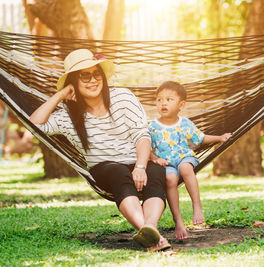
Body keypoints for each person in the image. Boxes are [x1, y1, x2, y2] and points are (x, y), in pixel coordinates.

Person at [30, 49, 170, 252]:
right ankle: (149, 233)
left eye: (96, 74)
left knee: (155, 171)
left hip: (136, 160)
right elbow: (34, 125)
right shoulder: (67, 116)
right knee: (119, 172)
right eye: (84, 76)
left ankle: (150, 230)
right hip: (104, 168)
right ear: (73, 82)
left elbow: (142, 135)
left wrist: (140, 165)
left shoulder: (122, 97)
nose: (93, 80)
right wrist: (61, 94)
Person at [149, 81, 231, 240]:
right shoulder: (152, 126)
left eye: (169, 99)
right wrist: (156, 159)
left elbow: (201, 138)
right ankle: (178, 219)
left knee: (186, 168)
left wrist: (220, 138)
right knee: (170, 178)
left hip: (184, 158)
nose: (163, 103)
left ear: (181, 104)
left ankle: (197, 206)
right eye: (159, 100)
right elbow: (147, 147)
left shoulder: (185, 123)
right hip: (166, 163)